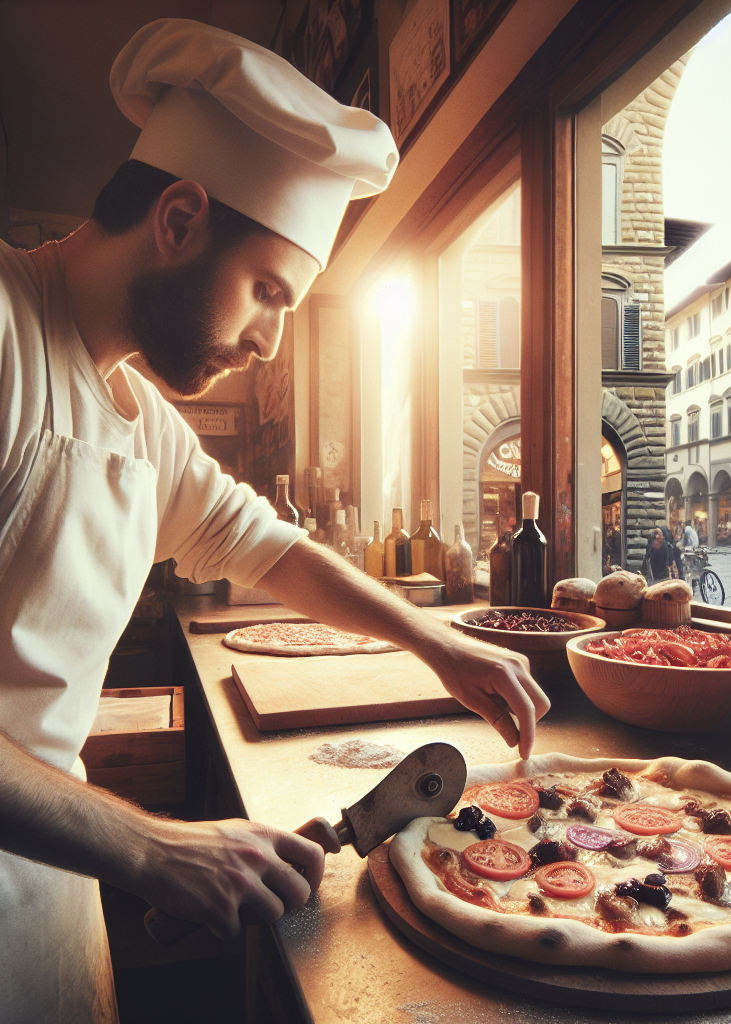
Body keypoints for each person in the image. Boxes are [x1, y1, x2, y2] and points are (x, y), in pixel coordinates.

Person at [0, 20, 549, 1021]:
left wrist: (440, 643)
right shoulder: (4, 331)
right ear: (177, 217)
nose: (265, 341)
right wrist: (149, 842)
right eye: (265, 292)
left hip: (47, 885)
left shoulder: (140, 417)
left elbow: (270, 545)